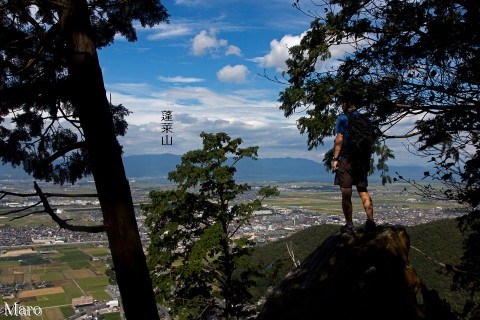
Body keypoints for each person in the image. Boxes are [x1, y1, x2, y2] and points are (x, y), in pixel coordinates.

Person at [332, 99, 376, 234]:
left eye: (342, 102)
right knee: (363, 190)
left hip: (347, 159)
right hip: (361, 160)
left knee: (346, 193)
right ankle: (370, 221)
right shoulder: (365, 120)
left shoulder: (342, 118)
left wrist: (335, 159)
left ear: (346, 104)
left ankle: (349, 225)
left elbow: (339, 139)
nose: (341, 104)